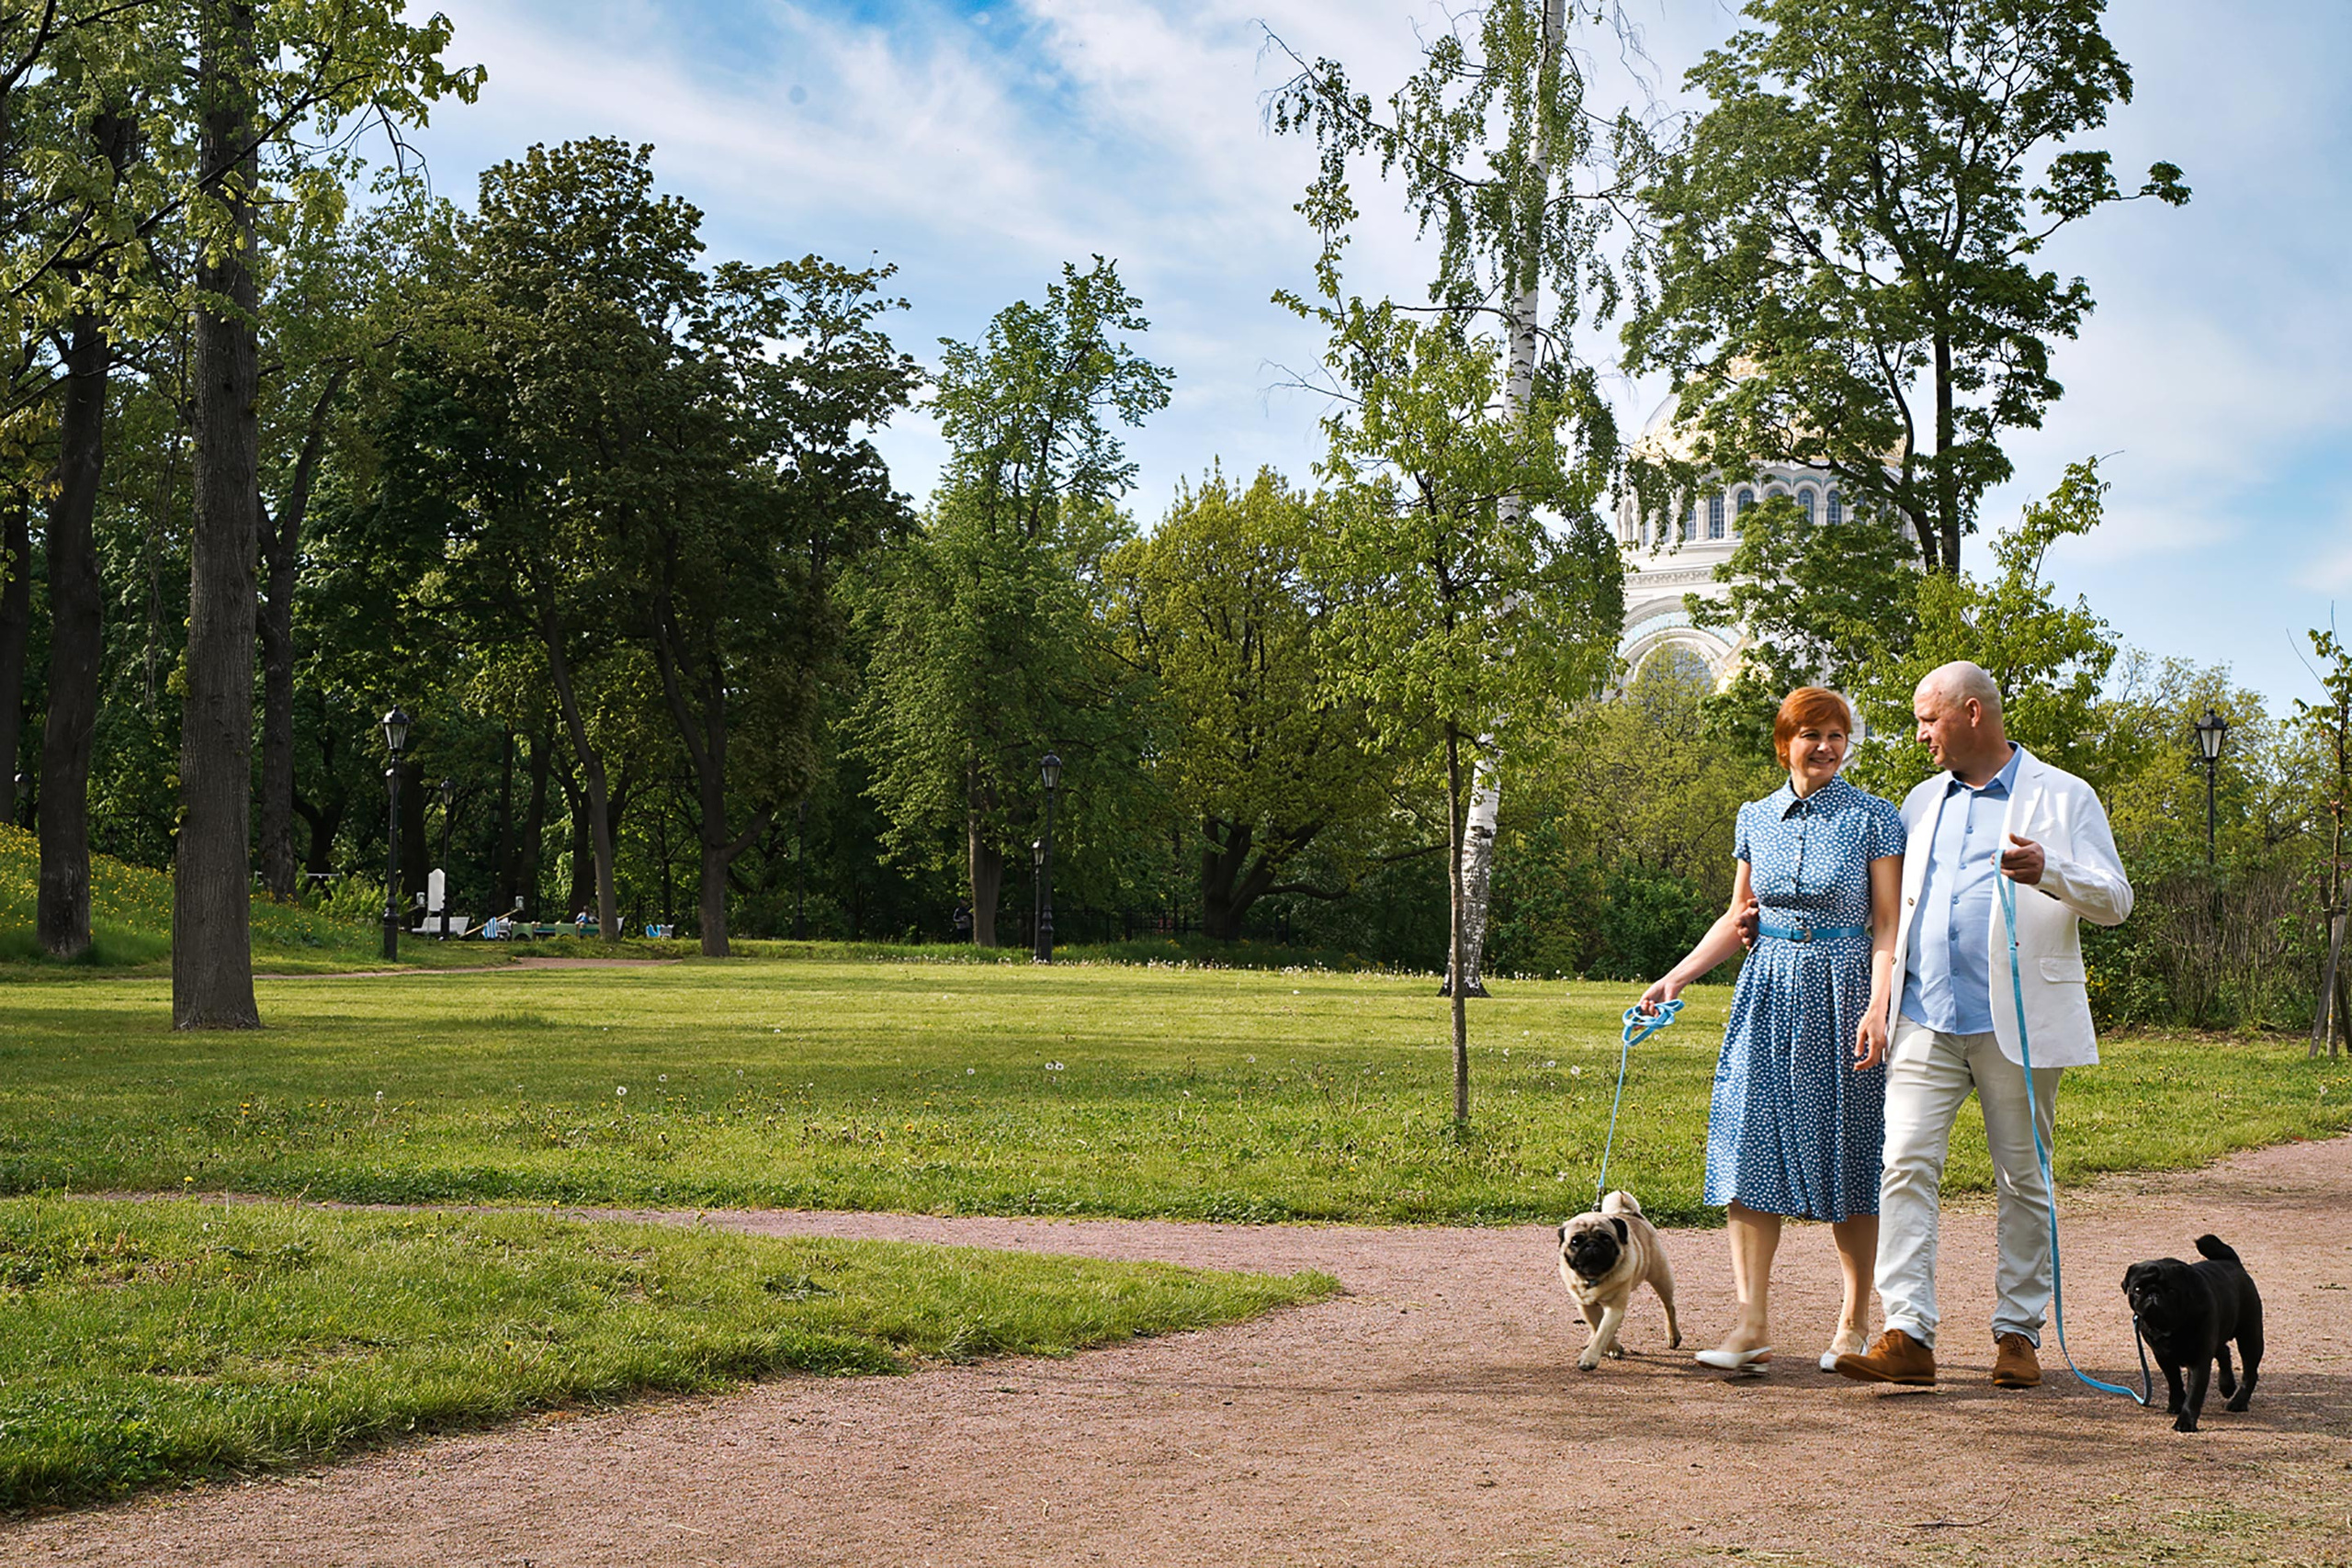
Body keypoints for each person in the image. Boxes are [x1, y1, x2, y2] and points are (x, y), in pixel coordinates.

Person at [1835, 661, 2132, 1390]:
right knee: (1904, 1164)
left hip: (2020, 1025)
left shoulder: (2064, 795)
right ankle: (1907, 1333)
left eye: (1928, 719)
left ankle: (2018, 1335)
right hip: (1924, 1016)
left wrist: (2050, 869)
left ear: (1972, 713)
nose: (1919, 734)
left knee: (2022, 1177)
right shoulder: (1919, 801)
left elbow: (2117, 898)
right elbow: (1892, 909)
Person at [1639, 686, 1905, 1372]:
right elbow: (1739, 916)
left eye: (1836, 734)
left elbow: (1887, 925)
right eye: (1811, 733)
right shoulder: (1755, 816)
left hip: (1843, 991)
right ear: (1784, 741)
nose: (1824, 746)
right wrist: (1677, 976)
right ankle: (1751, 1323)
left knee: (1851, 1152)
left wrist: (1879, 1007)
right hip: (1767, 994)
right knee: (1747, 1146)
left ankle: (1852, 1322)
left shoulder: (1875, 818)